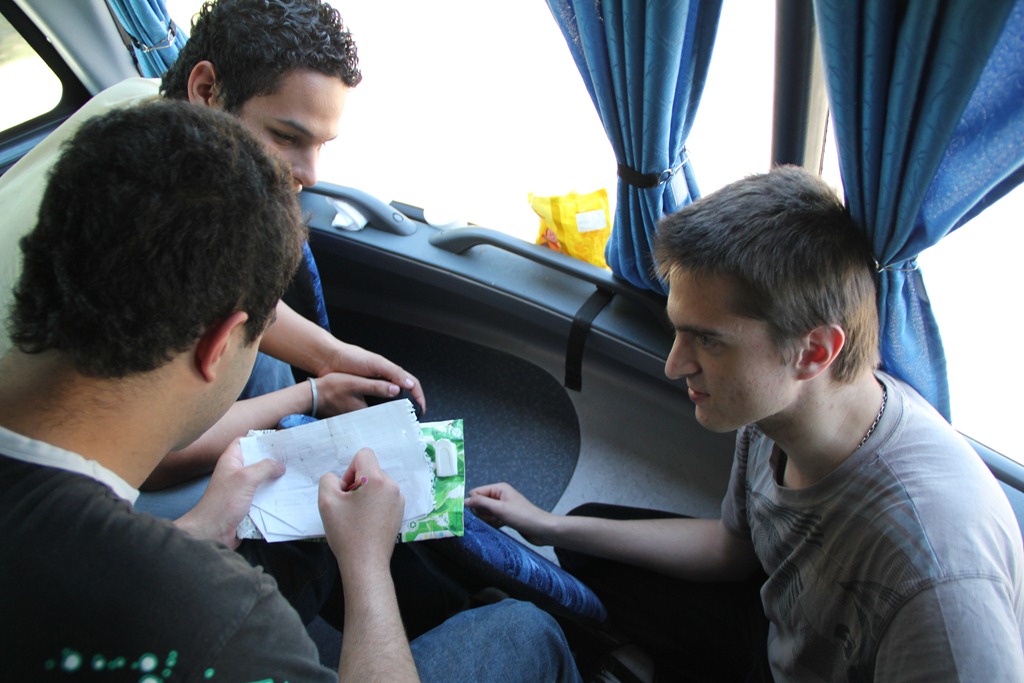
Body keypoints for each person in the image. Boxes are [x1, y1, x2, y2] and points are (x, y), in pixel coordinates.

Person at [0, 100, 582, 683]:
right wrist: (366, 566)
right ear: (218, 346)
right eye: (260, 336)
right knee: (524, 630)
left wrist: (197, 534)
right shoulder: (223, 620)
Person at [466, 166, 1024, 681]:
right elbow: (733, 551)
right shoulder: (773, 411)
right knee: (584, 539)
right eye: (679, 331)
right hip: (778, 631)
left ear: (814, 351)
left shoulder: (939, 583)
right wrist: (546, 525)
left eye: (708, 341)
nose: (674, 365)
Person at [0, 0, 424, 510]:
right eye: (285, 136)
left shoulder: (140, 111)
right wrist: (310, 396)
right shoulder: (148, 231)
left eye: (321, 145)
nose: (310, 174)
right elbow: (152, 454)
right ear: (205, 90)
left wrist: (329, 356)